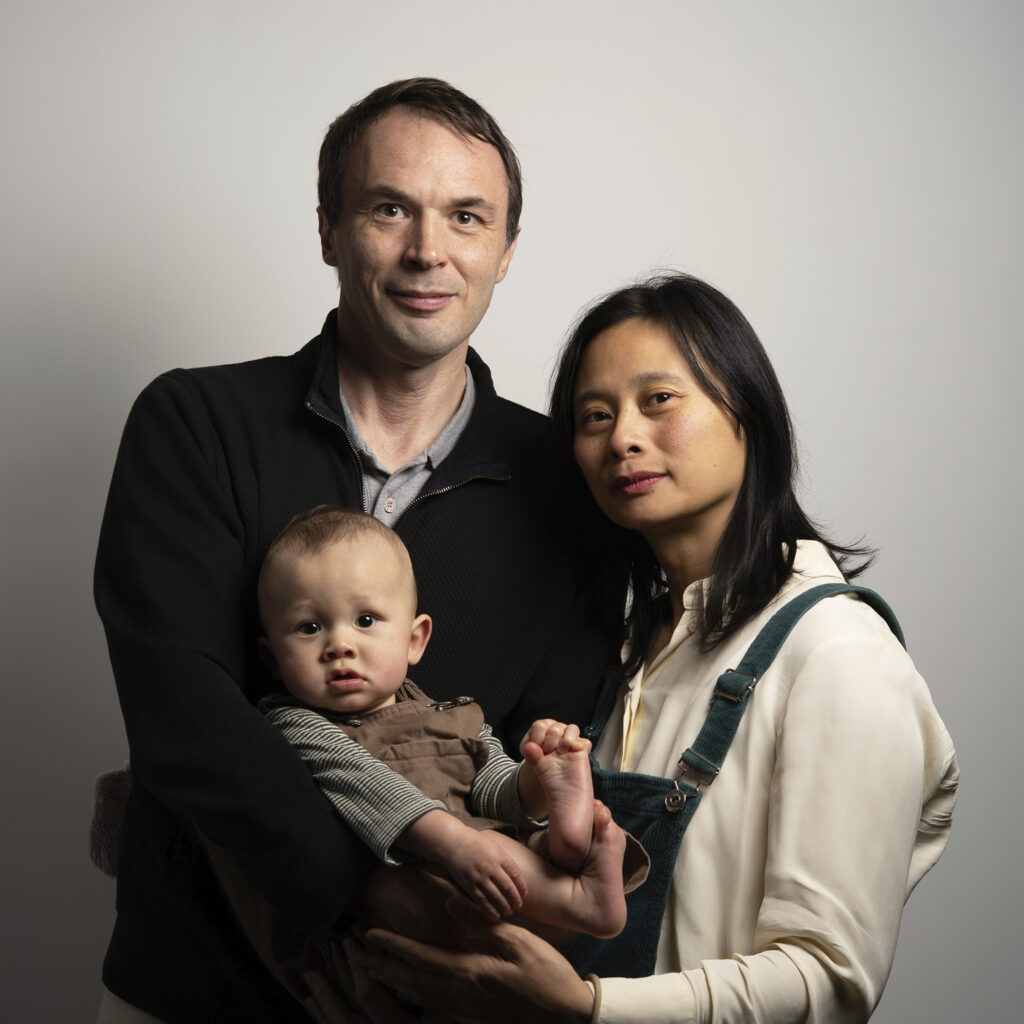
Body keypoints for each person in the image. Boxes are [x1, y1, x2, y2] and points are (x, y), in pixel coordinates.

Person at [93, 78, 608, 1024]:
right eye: (388, 209)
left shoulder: (566, 485)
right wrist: (367, 887)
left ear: (506, 252)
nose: (428, 250)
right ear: (329, 229)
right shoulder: (196, 423)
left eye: (465, 217)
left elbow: (546, 746)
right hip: (191, 991)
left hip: (437, 1000)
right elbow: (183, 714)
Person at [332, 273, 959, 1024]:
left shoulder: (838, 655)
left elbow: (830, 979)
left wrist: (589, 1006)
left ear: (746, 411)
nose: (622, 437)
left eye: (659, 400)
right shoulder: (629, 647)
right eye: (595, 415)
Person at [253, 505, 642, 944]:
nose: (339, 645)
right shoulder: (296, 724)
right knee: (484, 846)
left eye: (365, 621)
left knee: (514, 829)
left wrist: (531, 781)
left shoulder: (450, 714)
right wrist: (455, 843)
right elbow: (371, 788)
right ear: (272, 658)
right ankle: (582, 899)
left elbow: (489, 790)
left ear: (414, 639)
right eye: (309, 627)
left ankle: (564, 836)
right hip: (420, 869)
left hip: (493, 874)